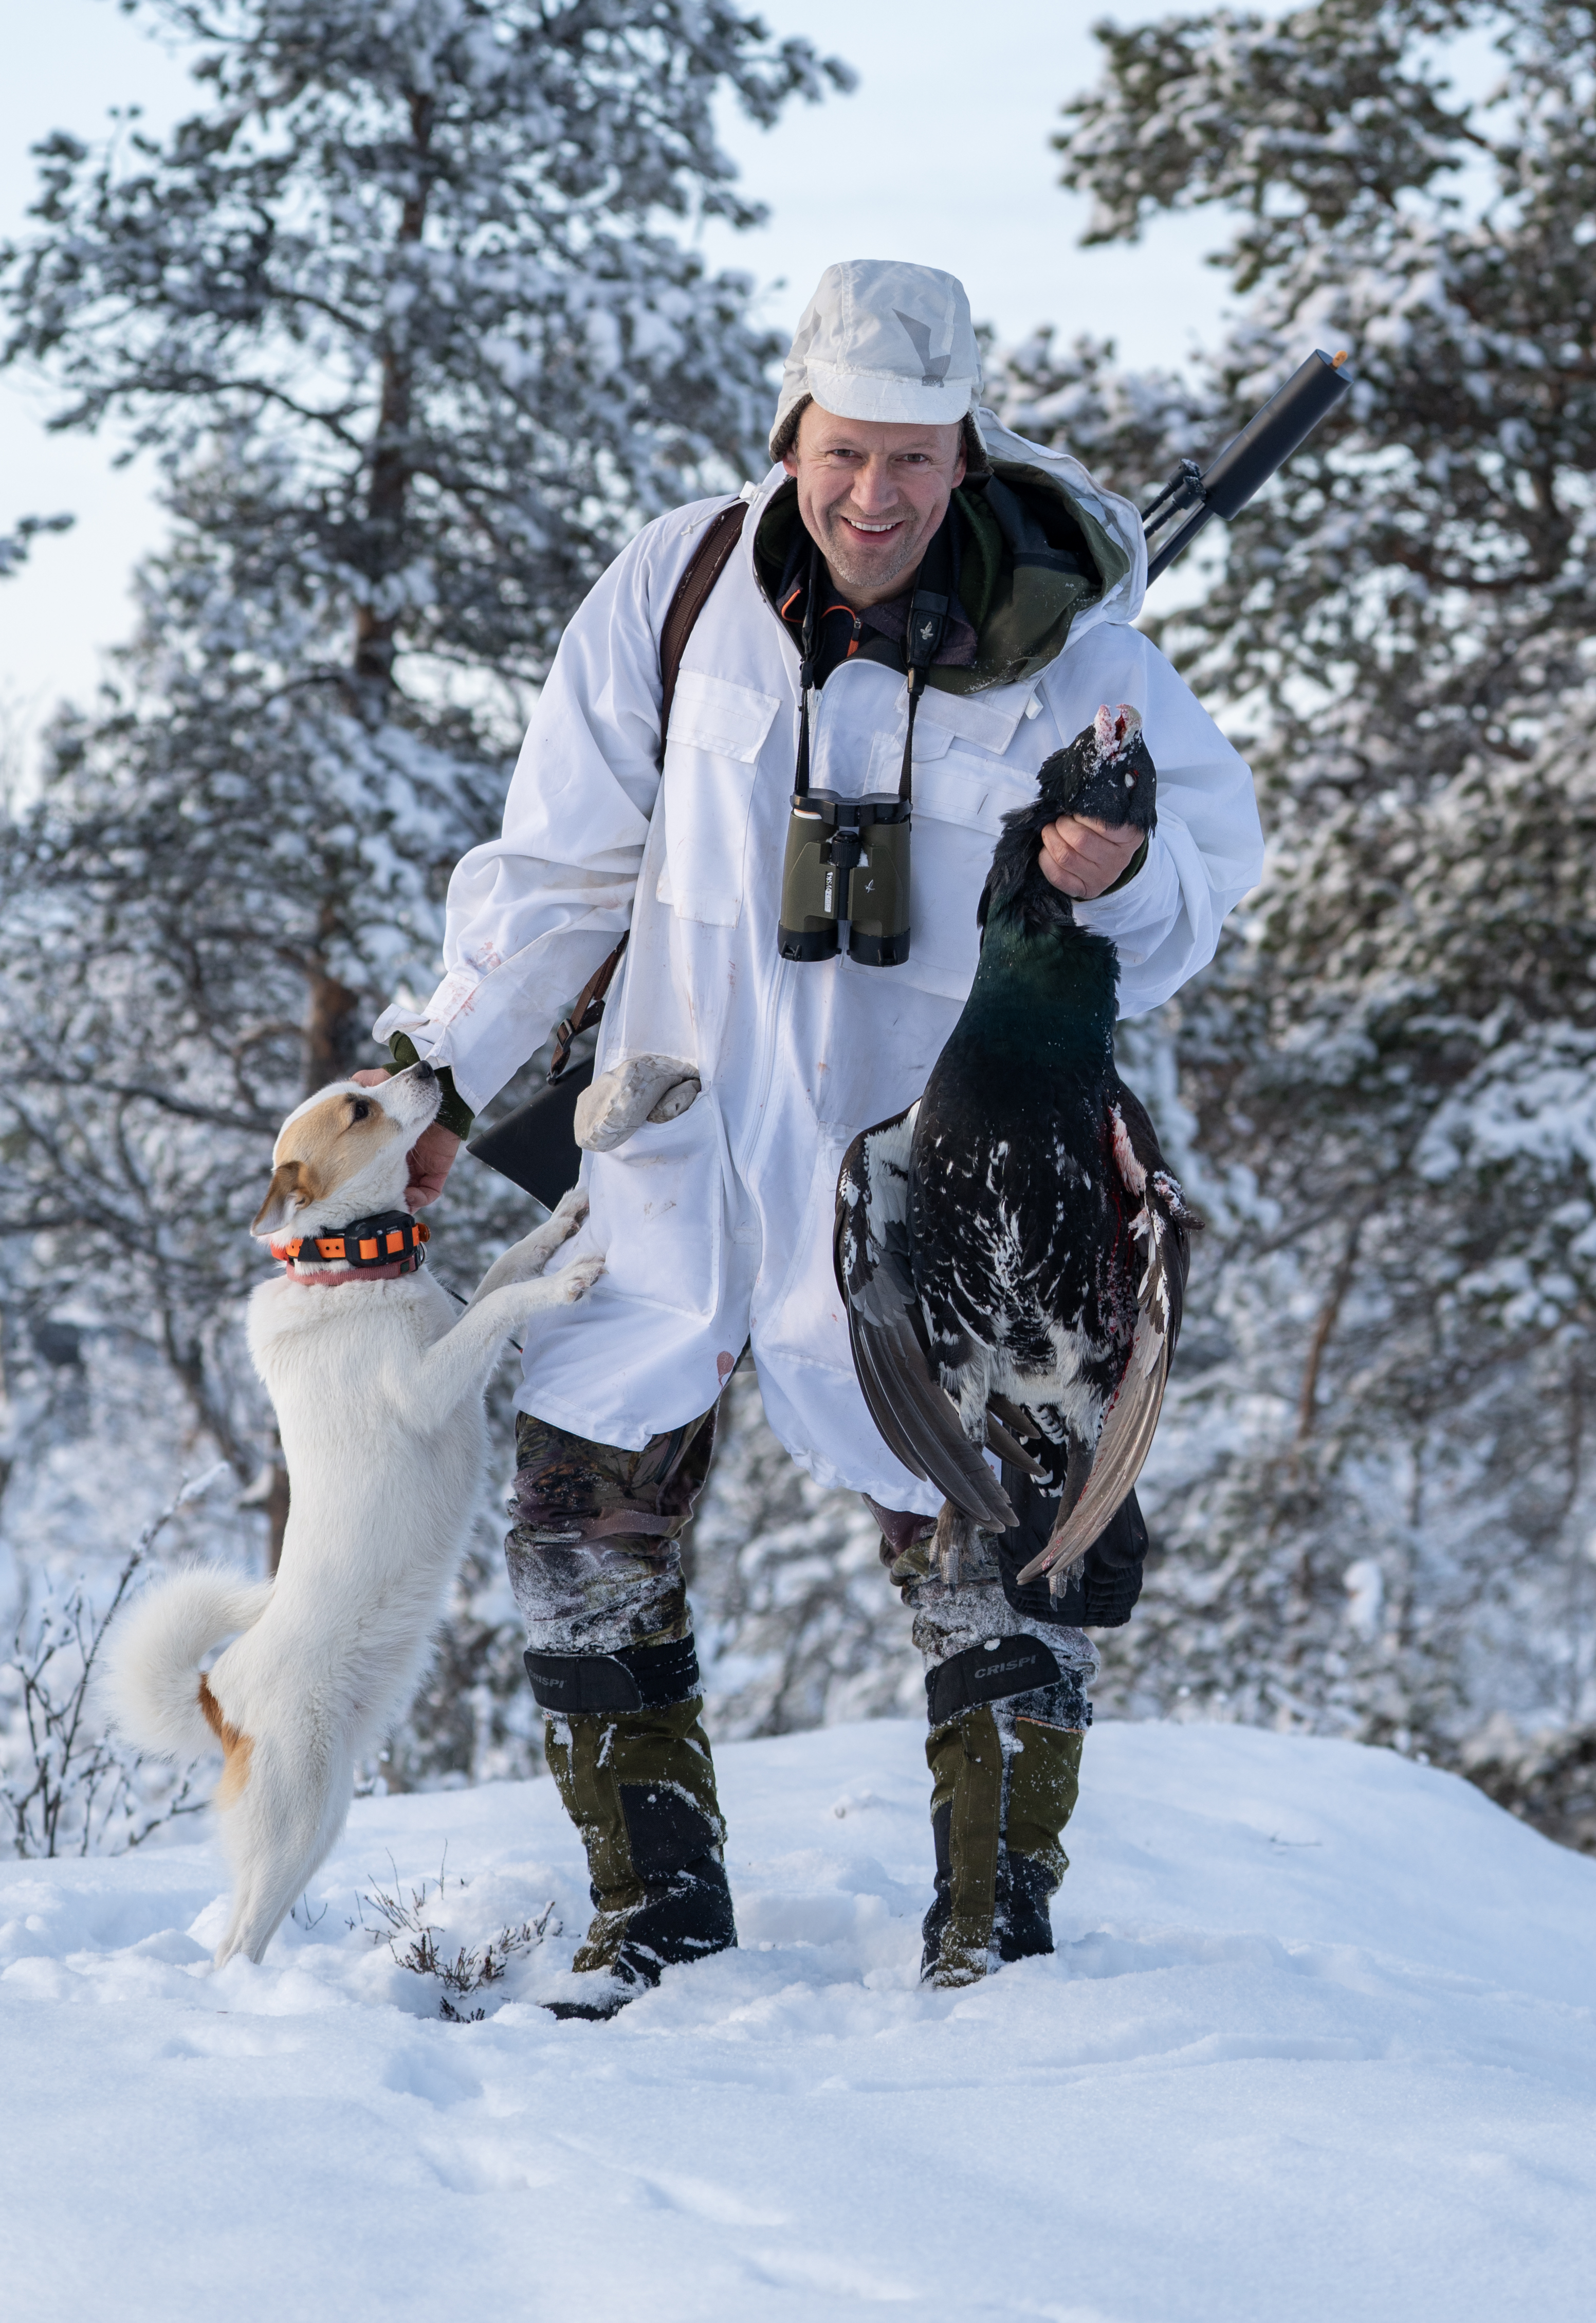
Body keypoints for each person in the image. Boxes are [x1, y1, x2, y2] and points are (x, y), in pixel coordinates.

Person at [363, 260, 1263, 2010]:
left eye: (915, 460)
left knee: (997, 1536)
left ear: (964, 451)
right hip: (681, 1136)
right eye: (845, 451)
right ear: (792, 434)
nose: (876, 496)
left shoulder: (1077, 646)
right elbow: (558, 868)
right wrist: (439, 1079)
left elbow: (1197, 905)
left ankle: (992, 1936)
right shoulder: (679, 587)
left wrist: (1122, 868)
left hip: (926, 1171)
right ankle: (658, 1911)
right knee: (578, 1517)